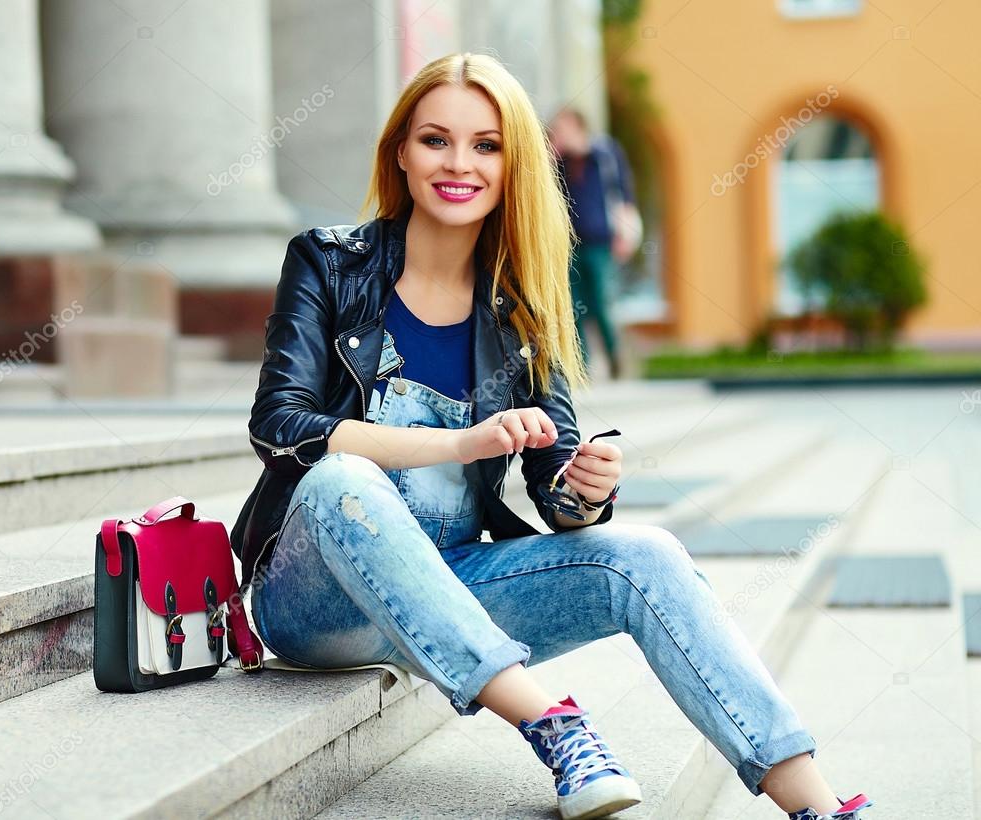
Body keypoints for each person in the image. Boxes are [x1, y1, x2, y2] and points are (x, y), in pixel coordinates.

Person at [229, 52, 874, 820]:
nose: (459, 163)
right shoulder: (329, 264)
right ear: (401, 151)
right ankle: (554, 725)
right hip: (316, 601)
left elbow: (555, 491)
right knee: (341, 478)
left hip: (453, 581)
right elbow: (279, 425)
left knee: (647, 554)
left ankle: (820, 807)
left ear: (514, 166)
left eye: (487, 145)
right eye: (436, 140)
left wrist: (583, 486)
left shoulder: (523, 301)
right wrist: (458, 444)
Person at [549, 106, 642, 381]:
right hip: (568, 245)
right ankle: (583, 365)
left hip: (601, 242)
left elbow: (623, 193)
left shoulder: (603, 155)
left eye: (563, 129)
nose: (560, 135)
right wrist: (553, 155)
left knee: (601, 303)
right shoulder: (560, 162)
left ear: (578, 127)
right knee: (573, 306)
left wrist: (625, 234)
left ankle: (615, 357)